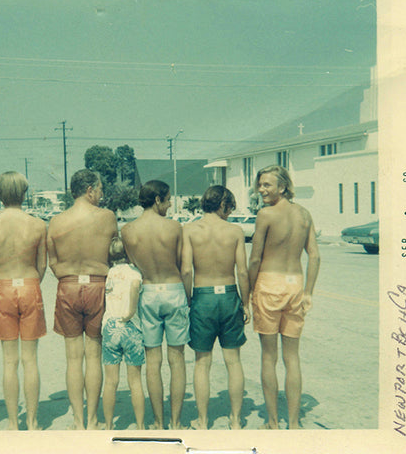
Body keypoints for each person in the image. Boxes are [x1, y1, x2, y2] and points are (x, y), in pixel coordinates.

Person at [248, 165, 320, 429]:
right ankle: (294, 422)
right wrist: (309, 291)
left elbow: (255, 258)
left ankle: (273, 421)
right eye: (260, 185)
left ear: (283, 187)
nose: (261, 189)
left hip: (269, 284)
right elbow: (314, 254)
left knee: (269, 356)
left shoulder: (265, 215)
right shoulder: (304, 214)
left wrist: (247, 291)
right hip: (295, 285)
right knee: (293, 357)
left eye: (267, 185)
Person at [47, 169, 118, 430]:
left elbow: (52, 261)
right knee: (94, 356)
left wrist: (68, 278)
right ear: (89, 190)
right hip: (98, 285)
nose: (101, 194)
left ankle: (78, 421)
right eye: (99, 189)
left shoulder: (55, 221)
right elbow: (113, 253)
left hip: (68, 285)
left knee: (73, 359)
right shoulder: (107, 217)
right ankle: (92, 419)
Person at [0, 172, 47, 430]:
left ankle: (12, 423)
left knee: (9, 361)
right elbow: (42, 265)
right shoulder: (38, 224)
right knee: (30, 360)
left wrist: (8, 282)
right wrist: (29, 282)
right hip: (30, 285)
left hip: (4, 286)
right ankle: (32, 422)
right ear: (24, 193)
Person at [121, 180, 189, 430]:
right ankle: (177, 422)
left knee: (153, 360)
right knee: (177, 358)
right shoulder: (174, 227)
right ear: (158, 200)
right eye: (168, 199)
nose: (170, 204)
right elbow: (184, 265)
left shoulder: (128, 230)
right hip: (173, 289)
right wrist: (187, 297)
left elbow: (131, 263)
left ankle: (158, 422)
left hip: (147, 290)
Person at [181, 185, 250, 430]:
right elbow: (242, 270)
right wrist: (246, 302)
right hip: (229, 294)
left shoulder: (189, 230)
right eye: (230, 207)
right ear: (222, 204)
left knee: (202, 362)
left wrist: (189, 299)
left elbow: (187, 269)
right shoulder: (235, 231)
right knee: (234, 361)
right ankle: (235, 420)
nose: (230, 213)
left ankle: (201, 421)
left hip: (202, 295)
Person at [102, 237, 145, 430]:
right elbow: (135, 287)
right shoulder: (134, 272)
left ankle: (110, 424)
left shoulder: (110, 273)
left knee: (110, 381)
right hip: (131, 327)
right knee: (135, 381)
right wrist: (130, 312)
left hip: (110, 326)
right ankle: (140, 425)